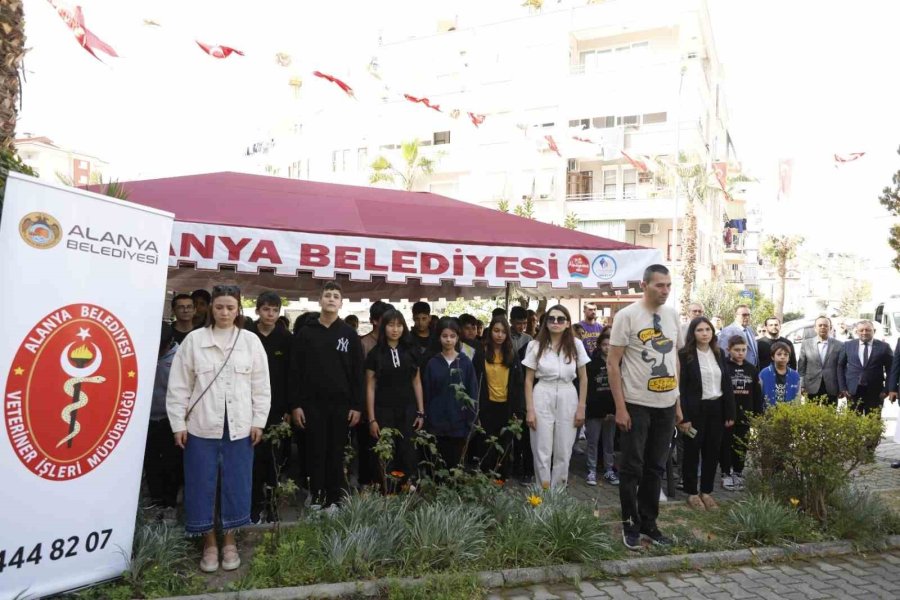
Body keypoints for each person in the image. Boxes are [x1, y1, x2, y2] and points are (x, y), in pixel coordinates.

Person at [167, 284, 271, 572]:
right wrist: (178, 423)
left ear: (238, 310)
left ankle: (229, 540)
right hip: (200, 426)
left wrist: (258, 422)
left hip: (239, 428)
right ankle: (208, 542)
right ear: (210, 308)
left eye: (230, 307)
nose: (225, 312)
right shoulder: (194, 341)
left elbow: (261, 387)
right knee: (201, 483)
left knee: (236, 484)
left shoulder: (250, 342)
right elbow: (179, 386)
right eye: (219, 306)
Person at [608, 264, 683, 550]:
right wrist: (620, 407)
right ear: (644, 285)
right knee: (632, 467)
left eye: (668, 286)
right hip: (636, 404)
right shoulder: (626, 316)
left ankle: (649, 522)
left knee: (656, 466)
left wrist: (677, 403)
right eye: (659, 285)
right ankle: (630, 523)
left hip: (665, 404)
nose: (665, 291)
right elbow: (613, 364)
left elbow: (674, 361)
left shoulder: (673, 316)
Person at [289, 282, 364, 509]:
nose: (331, 299)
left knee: (336, 451)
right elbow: (295, 371)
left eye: (335, 296)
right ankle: (317, 496)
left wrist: (357, 406)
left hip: (341, 405)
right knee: (315, 450)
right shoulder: (306, 333)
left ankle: (335, 499)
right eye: (327, 295)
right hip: (311, 405)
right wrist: (296, 405)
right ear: (319, 300)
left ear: (341, 303)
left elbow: (357, 373)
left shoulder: (349, 335)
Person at [522, 304, 589, 489]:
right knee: (541, 450)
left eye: (561, 319)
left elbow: (583, 378)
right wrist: (530, 410)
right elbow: (528, 380)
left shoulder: (576, 345)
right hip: (542, 392)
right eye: (551, 319)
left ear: (568, 323)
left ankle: (557, 498)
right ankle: (541, 497)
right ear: (546, 322)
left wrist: (581, 407)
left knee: (564, 451)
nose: (556, 322)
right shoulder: (534, 345)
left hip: (569, 394)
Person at [678, 317, 735, 511]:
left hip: (716, 408)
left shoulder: (719, 353)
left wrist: (730, 411)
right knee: (692, 452)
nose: (704, 333)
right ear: (693, 333)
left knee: (712, 452)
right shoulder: (685, 355)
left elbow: (726, 383)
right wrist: (683, 417)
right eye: (700, 330)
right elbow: (681, 389)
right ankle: (692, 493)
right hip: (695, 410)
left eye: (708, 329)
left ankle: (707, 492)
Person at [365, 309, 425, 486]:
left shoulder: (412, 351)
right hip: (383, 410)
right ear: (384, 327)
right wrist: (371, 419)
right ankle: (388, 493)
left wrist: (421, 411)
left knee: (407, 450)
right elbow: (369, 388)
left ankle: (407, 490)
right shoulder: (375, 354)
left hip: (408, 410)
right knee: (386, 452)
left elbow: (417, 382)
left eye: (399, 325)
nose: (395, 329)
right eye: (391, 325)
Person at [250, 291, 292, 523]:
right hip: (249, 407)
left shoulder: (286, 338)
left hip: (277, 408)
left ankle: (273, 507)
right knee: (254, 460)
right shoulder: (247, 335)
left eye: (275, 310)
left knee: (274, 460)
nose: (270, 314)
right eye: (266, 309)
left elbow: (291, 376)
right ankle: (254, 507)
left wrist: (288, 407)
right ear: (257, 310)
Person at [422, 317, 478, 470]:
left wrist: (470, 421)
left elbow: (472, 393)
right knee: (437, 466)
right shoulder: (432, 363)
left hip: (459, 424)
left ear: (458, 337)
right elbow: (427, 393)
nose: (448, 340)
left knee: (456, 467)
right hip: (436, 424)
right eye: (444, 336)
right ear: (438, 337)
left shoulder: (465, 362)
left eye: (452, 336)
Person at [475, 316, 525, 479]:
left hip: (507, 407)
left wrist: (518, 411)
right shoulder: (481, 353)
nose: (499, 335)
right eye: (496, 331)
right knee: (487, 445)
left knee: (504, 446)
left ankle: (501, 478)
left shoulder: (512, 354)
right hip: (487, 407)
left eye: (503, 332)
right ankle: (485, 478)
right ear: (491, 332)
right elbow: (476, 381)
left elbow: (518, 385)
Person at [144, 323, 181, 520]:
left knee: (171, 462)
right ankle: (155, 500)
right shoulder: (144, 353)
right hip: (147, 419)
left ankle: (170, 502)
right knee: (150, 462)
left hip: (170, 419)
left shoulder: (180, 356)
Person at [358, 301, 394, 487]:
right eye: (384, 320)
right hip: (368, 408)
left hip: (390, 405)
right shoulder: (364, 343)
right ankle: (367, 486)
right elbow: (360, 379)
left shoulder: (395, 344)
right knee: (369, 449)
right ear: (374, 321)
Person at [722, 335, 762, 492]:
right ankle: (726, 473)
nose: (740, 353)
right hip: (727, 415)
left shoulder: (751, 369)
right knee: (726, 444)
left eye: (743, 350)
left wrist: (758, 414)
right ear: (729, 350)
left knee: (742, 444)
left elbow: (757, 394)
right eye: (736, 350)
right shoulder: (724, 366)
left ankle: (738, 472)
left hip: (746, 413)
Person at [838, 320, 893, 414]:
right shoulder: (848, 345)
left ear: (874, 331)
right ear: (856, 332)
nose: (864, 332)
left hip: (875, 392)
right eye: (861, 330)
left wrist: (887, 389)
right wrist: (843, 388)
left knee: (873, 423)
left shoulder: (884, 347)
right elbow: (840, 366)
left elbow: (891, 369)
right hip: (853, 391)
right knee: (853, 423)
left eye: (868, 330)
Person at [585, 330, 618, 486]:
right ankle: (591, 470)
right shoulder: (592, 364)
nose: (607, 348)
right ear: (599, 346)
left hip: (612, 411)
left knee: (609, 443)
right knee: (592, 441)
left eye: (610, 345)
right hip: (594, 411)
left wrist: (614, 410)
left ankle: (609, 470)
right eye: (604, 345)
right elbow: (589, 389)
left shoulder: (618, 363)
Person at [797, 316, 842, 405]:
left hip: (831, 386)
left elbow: (841, 368)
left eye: (825, 325)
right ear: (815, 328)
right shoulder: (806, 344)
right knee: (811, 415)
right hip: (811, 386)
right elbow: (801, 366)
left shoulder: (839, 345)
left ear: (830, 328)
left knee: (830, 415)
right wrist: (801, 385)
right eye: (820, 325)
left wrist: (842, 387)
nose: (823, 327)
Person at [759, 342, 800, 406]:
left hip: (789, 413)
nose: (782, 357)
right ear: (772, 357)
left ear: (789, 358)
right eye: (779, 354)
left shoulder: (795, 375)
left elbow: (798, 398)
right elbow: (759, 395)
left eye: (786, 354)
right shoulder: (764, 373)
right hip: (768, 413)